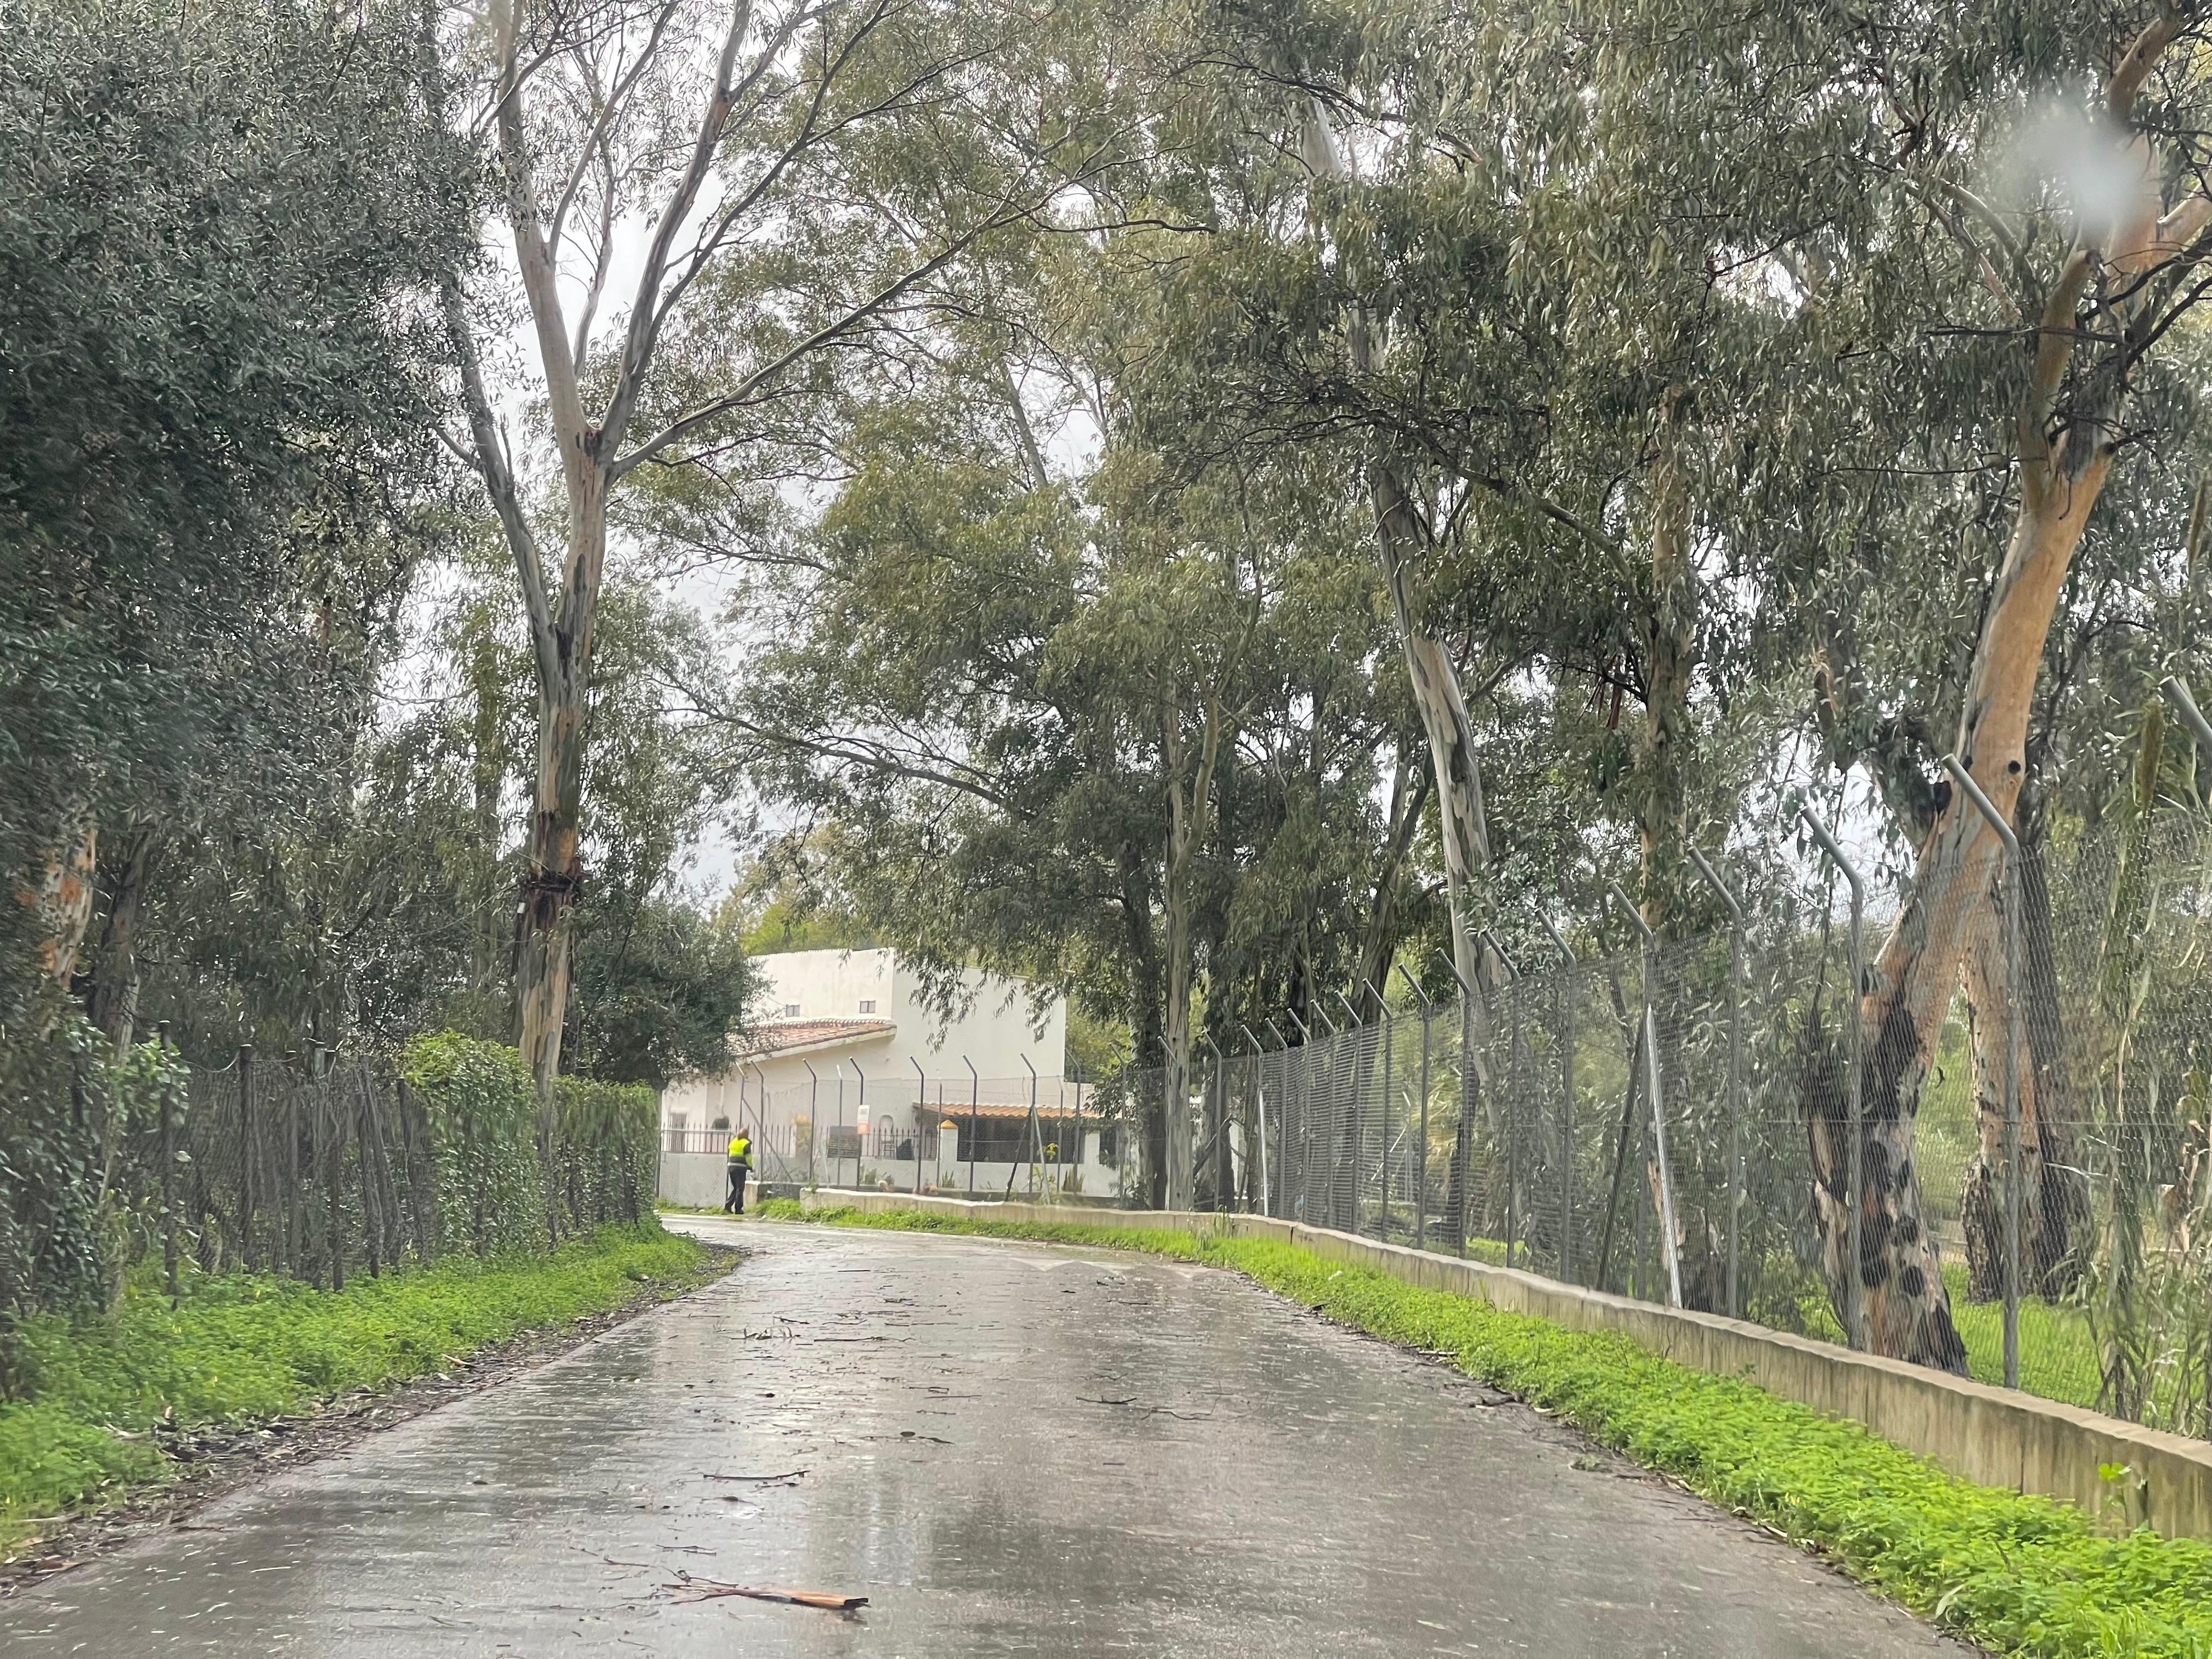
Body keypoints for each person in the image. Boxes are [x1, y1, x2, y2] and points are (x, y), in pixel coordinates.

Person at [725, 1128, 753, 1215]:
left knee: (736, 1188)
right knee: (740, 1189)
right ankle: (738, 1209)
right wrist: (750, 1167)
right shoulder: (746, 1143)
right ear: (747, 1135)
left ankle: (728, 1206)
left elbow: (728, 1153)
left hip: (731, 1166)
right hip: (740, 1167)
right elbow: (748, 1157)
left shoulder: (733, 1142)